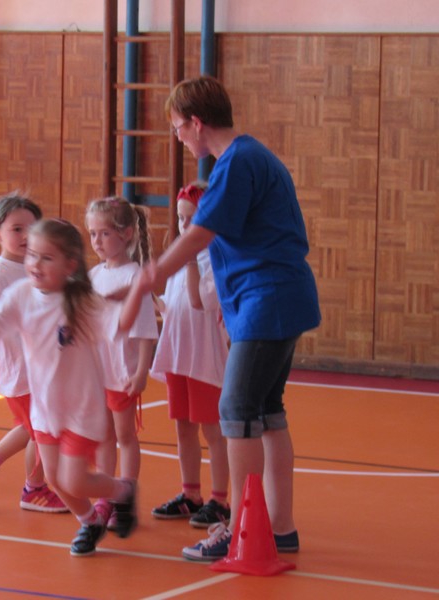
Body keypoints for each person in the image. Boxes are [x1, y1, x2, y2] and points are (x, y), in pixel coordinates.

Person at [131, 76, 321, 561]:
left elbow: (200, 233)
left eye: (178, 127)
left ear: (197, 123)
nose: (178, 137)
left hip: (267, 298)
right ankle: (278, 527)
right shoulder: (246, 159)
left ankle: (240, 529)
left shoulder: (238, 161)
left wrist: (151, 274)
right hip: (275, 297)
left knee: (236, 411)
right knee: (267, 411)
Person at [0, 218, 146, 556]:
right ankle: (90, 522)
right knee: (53, 478)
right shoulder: (21, 294)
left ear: (69, 265)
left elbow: (120, 323)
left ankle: (122, 491)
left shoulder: (80, 301)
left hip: (82, 409)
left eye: (47, 258)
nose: (35, 264)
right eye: (32, 255)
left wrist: (139, 290)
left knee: (74, 480)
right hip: (45, 409)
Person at [0, 192, 67, 513]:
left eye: (30, 229)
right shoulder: (0, 275)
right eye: (16, 229)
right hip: (19, 368)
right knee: (43, 429)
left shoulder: (33, 267)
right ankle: (34, 488)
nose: (24, 236)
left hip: (39, 366)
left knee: (35, 426)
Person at [149, 182, 231, 529]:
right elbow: (174, 306)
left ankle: (220, 500)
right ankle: (190, 494)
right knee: (183, 426)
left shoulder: (217, 259)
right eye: (181, 219)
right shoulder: (181, 259)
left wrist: (191, 257)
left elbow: (201, 301)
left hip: (204, 359)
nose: (184, 227)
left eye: (191, 220)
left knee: (213, 431)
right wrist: (151, 299)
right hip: (178, 354)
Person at [84, 196, 157, 530]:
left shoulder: (135, 276)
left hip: (122, 371)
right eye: (93, 234)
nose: (97, 241)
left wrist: (141, 371)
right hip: (96, 372)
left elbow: (145, 330)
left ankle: (125, 497)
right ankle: (106, 494)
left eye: (105, 233)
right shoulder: (93, 275)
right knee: (104, 436)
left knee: (125, 435)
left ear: (126, 234)